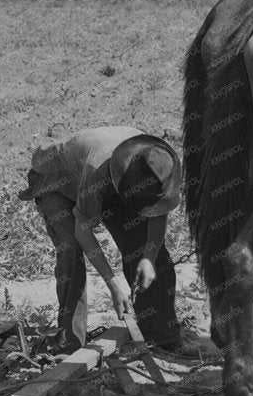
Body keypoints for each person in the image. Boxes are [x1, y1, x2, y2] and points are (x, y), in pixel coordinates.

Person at [18, 126, 191, 355]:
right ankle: (70, 344)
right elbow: (83, 230)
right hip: (56, 180)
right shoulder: (98, 170)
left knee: (151, 254)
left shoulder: (161, 164)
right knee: (71, 247)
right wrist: (113, 285)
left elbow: (157, 212)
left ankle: (160, 338)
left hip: (116, 180)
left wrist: (148, 258)